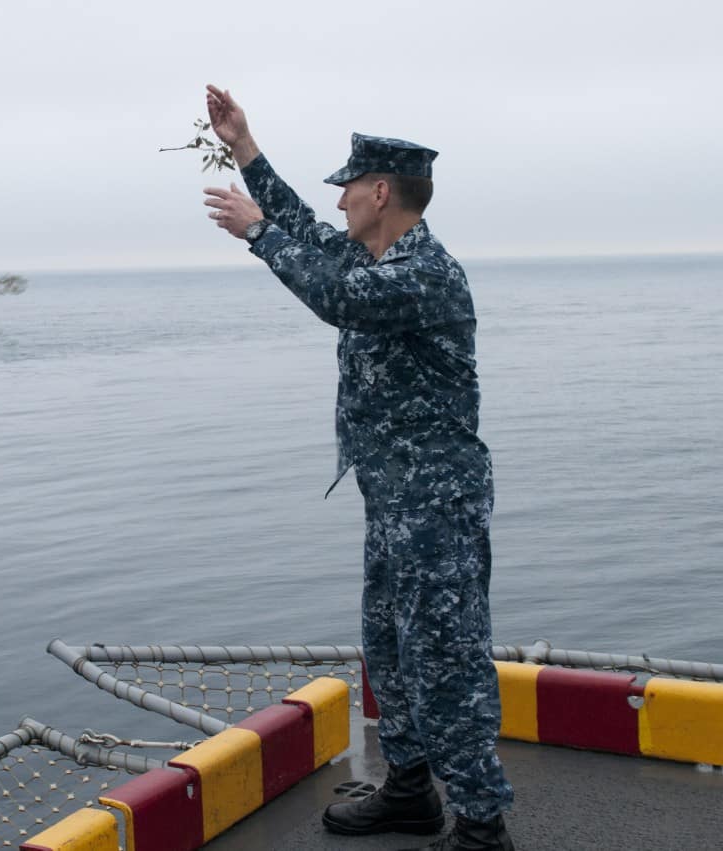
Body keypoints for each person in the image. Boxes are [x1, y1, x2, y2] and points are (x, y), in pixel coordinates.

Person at [201, 84, 515, 851]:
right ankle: (411, 789)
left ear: (381, 193)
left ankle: (482, 825)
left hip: (437, 505)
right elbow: (307, 233)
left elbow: (333, 292)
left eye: (348, 187)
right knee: (390, 646)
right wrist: (245, 146)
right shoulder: (374, 251)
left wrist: (255, 234)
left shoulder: (424, 274)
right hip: (393, 498)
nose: (338, 201)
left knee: (446, 658)